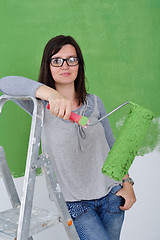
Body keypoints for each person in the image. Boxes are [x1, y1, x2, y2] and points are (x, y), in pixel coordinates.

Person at [0, 35, 136, 240]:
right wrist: (51, 95)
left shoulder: (95, 102)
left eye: (72, 59)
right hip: (76, 205)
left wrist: (127, 184)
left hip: (111, 197)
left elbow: (112, 146)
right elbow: (5, 83)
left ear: (79, 64)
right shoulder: (39, 106)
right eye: (57, 60)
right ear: (48, 65)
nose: (65, 65)